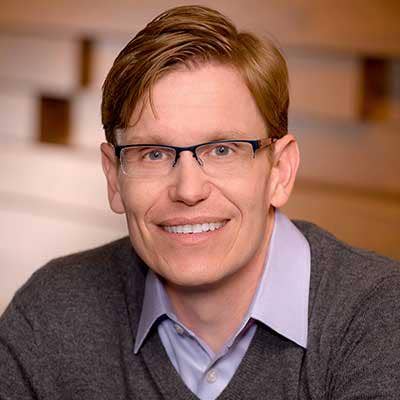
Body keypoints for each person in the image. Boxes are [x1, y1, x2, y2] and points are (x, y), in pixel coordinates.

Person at [1, 5, 399, 400]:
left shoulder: (378, 315)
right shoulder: (50, 313)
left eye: (222, 149)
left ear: (280, 171)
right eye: (153, 154)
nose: (188, 190)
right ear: (113, 177)